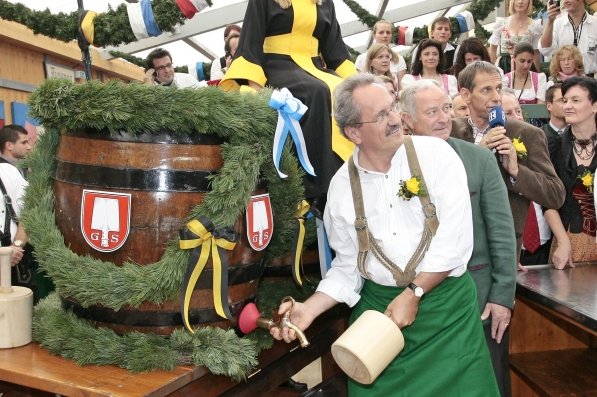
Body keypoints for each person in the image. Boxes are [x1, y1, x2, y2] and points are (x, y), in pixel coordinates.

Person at [271, 73, 499, 396]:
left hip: (448, 318)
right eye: (381, 115)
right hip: (381, 328)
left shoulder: (437, 156)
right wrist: (309, 308)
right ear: (354, 132)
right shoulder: (340, 190)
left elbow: (454, 242)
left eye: (392, 108)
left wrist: (414, 294)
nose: (395, 120)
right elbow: (348, 268)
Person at [401, 80, 517, 397]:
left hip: (480, 302)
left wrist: (502, 297)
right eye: (432, 111)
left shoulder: (478, 160)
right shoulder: (394, 165)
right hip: (421, 308)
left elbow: (502, 233)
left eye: (447, 109)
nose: (443, 118)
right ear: (407, 120)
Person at [220, 0, 357, 214]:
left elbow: (336, 51)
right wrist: (256, 89)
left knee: (343, 91)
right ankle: (316, 190)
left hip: (314, 67)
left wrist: (361, 85)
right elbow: (251, 41)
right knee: (317, 91)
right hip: (275, 65)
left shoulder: (325, 2)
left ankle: (351, 176)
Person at [451, 61, 565, 259]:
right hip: (456, 249)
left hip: (502, 253)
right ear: (466, 95)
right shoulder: (449, 133)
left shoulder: (528, 134)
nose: (496, 98)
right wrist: (479, 155)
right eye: (486, 90)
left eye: (498, 89)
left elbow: (555, 195)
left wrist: (517, 171)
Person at [545, 76, 597, 268]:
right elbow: (547, 201)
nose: (567, 106)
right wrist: (564, 242)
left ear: (594, 106)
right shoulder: (553, 145)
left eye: (576, 100)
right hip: (567, 242)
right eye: (565, 100)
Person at [539, 0, 597, 77]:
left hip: (589, 81)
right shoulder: (557, 23)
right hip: (563, 81)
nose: (565, 1)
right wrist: (550, 22)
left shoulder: (595, 23)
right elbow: (545, 50)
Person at [488, 0, 542, 73]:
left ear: (529, 2)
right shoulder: (501, 23)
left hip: (526, 68)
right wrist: (491, 71)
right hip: (504, 67)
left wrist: (537, 75)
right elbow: (492, 50)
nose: (520, 2)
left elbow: (535, 53)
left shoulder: (535, 26)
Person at [354, 20, 407, 87]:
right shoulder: (362, 58)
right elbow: (358, 86)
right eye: (381, 32)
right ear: (374, 35)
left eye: (388, 32)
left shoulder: (399, 59)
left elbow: (401, 88)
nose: (385, 35)